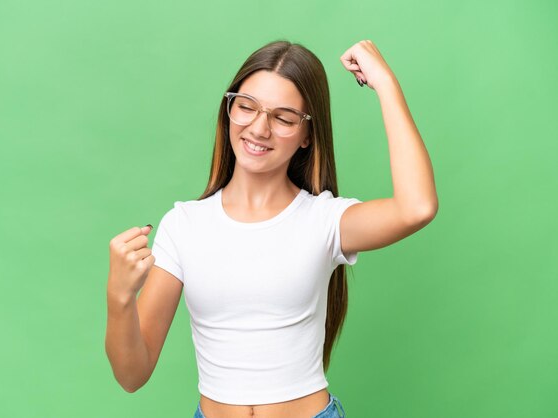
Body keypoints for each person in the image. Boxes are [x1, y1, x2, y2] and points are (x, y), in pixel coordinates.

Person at [105, 39, 438, 418]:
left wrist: (385, 83)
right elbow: (132, 375)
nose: (259, 128)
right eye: (246, 107)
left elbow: (418, 207)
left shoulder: (325, 220)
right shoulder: (184, 225)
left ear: (307, 134)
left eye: (282, 118)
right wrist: (119, 298)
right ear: (229, 110)